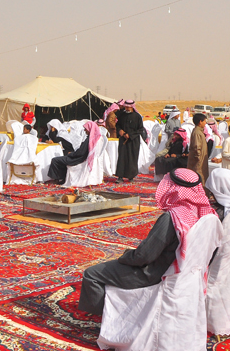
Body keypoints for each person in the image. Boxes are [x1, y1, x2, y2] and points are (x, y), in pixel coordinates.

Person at [77, 168, 216, 315]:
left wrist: (124, 257)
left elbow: (143, 256)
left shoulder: (172, 218)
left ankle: (102, 319)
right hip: (187, 273)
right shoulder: (207, 215)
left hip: (154, 273)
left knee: (91, 274)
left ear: (174, 189)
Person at [115, 100, 144, 182]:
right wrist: (120, 131)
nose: (127, 109)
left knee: (132, 158)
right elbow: (118, 125)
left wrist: (130, 135)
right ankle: (120, 176)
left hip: (133, 141)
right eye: (126, 107)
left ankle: (131, 176)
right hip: (123, 140)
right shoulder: (122, 115)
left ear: (132, 107)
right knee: (122, 157)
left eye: (128, 107)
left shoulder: (137, 117)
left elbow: (140, 129)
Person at [187, 113, 210, 190]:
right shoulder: (197, 132)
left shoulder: (199, 131)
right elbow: (197, 147)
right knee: (198, 177)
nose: (205, 123)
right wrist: (199, 158)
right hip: (198, 161)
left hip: (201, 159)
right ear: (200, 122)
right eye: (204, 121)